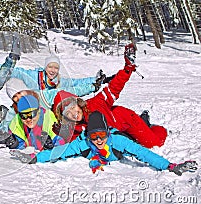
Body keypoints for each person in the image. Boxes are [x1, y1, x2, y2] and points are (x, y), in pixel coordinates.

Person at [10, 111, 198, 176]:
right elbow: (61, 151)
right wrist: (34, 159)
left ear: (107, 133)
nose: (98, 140)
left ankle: (144, 119)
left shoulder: (117, 140)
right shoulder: (84, 142)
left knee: (142, 136)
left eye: (101, 135)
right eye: (94, 137)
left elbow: (144, 154)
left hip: (124, 136)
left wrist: (170, 166)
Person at [50, 46, 167, 148]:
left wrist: (127, 68)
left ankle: (148, 124)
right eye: (67, 112)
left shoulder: (95, 103)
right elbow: (68, 142)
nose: (73, 113)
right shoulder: (73, 127)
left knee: (154, 143)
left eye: (72, 107)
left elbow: (114, 88)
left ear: (78, 103)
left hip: (126, 121)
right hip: (115, 133)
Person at [10, 54, 113, 109]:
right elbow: (17, 72)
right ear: (45, 67)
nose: (52, 70)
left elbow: (75, 83)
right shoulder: (34, 76)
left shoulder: (59, 81)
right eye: (50, 67)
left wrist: (97, 81)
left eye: (56, 68)